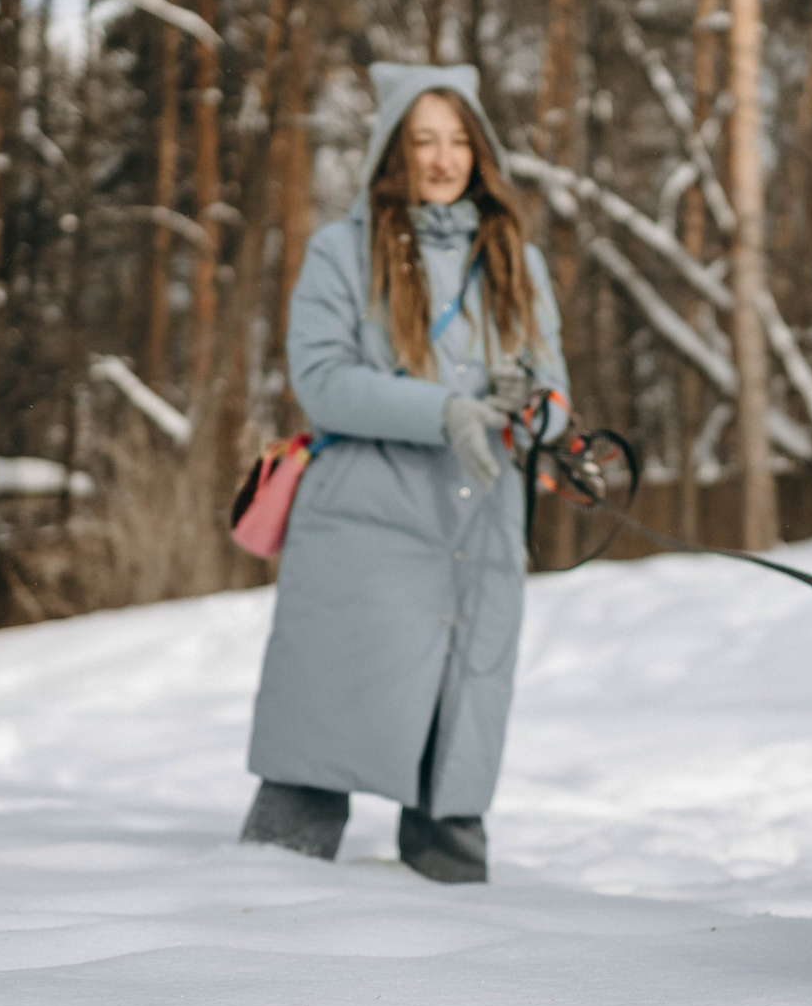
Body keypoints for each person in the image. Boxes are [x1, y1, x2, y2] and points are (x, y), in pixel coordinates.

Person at [238, 62, 566, 883]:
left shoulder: (516, 262)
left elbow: (556, 390)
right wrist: (442, 409)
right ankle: (243, 932)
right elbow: (320, 378)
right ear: (393, 150)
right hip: (364, 523)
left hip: (480, 526)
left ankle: (458, 954)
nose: (444, 156)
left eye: (459, 139)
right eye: (424, 139)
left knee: (457, 755)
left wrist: (543, 414)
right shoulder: (341, 252)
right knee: (320, 747)